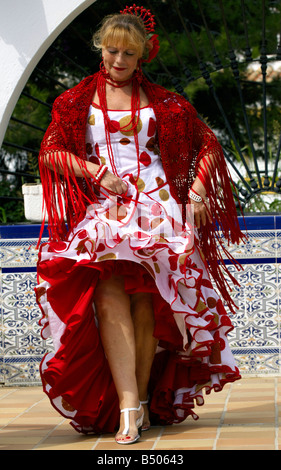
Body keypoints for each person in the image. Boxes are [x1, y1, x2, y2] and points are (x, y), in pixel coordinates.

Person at [36, 5, 245, 445]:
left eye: (129, 53)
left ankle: (143, 400)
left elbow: (208, 146)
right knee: (108, 299)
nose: (119, 60)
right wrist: (94, 173)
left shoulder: (167, 103)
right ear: (101, 47)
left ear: (142, 55)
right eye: (112, 50)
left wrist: (200, 190)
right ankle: (129, 406)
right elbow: (50, 153)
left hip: (157, 211)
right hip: (105, 215)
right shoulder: (73, 101)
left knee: (145, 305)